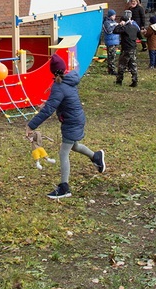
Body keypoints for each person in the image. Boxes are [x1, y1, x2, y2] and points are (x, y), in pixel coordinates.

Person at [26, 53, 105, 199]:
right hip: (74, 119)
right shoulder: (68, 80)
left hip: (72, 121)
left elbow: (51, 108)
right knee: (74, 146)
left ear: (52, 71)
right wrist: (46, 104)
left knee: (63, 153)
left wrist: (31, 125)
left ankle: (64, 187)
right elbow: (57, 102)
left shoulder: (59, 85)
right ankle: (96, 157)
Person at [115, 10, 140, 87]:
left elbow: (115, 31)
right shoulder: (135, 27)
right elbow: (140, 36)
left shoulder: (124, 28)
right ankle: (135, 80)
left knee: (122, 65)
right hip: (133, 48)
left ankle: (119, 81)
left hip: (126, 49)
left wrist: (119, 25)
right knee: (133, 65)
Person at [102, 9, 119, 75]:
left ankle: (112, 68)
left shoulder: (114, 22)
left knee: (114, 56)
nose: (115, 17)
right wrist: (115, 27)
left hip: (115, 40)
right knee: (111, 56)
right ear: (110, 15)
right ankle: (111, 70)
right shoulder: (106, 22)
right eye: (114, 15)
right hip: (110, 41)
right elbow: (108, 31)